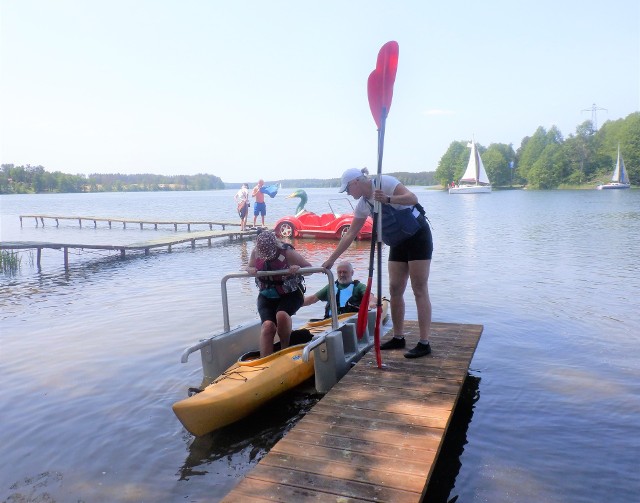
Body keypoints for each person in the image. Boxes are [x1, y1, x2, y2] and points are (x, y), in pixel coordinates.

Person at [322, 167, 434, 358]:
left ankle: (424, 343)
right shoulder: (363, 205)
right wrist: (331, 260)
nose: (348, 193)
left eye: (348, 189)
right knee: (395, 288)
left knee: (419, 288)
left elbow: (412, 198)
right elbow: (350, 234)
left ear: (356, 182)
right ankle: (398, 337)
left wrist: (388, 199)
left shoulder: (385, 183)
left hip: (418, 236)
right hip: (398, 241)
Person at [247, 230, 311, 357]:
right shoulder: (256, 252)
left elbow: (310, 269)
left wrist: (298, 269)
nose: (266, 256)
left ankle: (284, 349)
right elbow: (248, 267)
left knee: (281, 315)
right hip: (267, 294)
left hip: (290, 293)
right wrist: (250, 269)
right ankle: (265, 360)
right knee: (267, 326)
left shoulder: (287, 252)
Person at [303, 260, 376, 318]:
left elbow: (370, 296)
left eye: (345, 272)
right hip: (329, 321)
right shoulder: (330, 287)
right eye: (339, 272)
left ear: (352, 273)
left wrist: (372, 302)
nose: (342, 275)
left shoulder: (359, 286)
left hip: (352, 320)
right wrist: (297, 304)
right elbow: (313, 299)